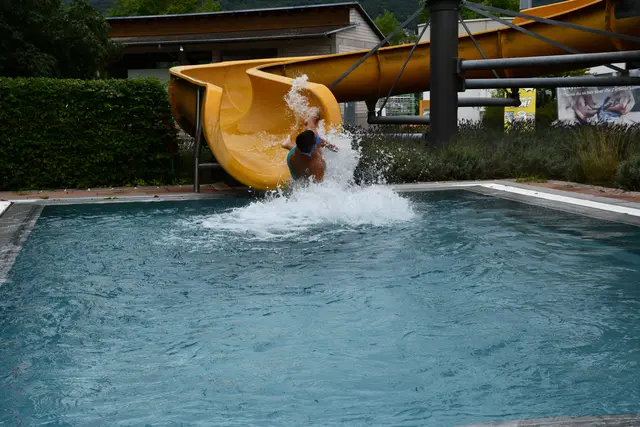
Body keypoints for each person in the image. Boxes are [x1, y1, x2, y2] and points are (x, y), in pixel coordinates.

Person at [282, 114, 338, 182]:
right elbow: (319, 185)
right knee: (321, 163)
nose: (316, 138)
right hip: (296, 165)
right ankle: (287, 145)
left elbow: (311, 119)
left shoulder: (309, 136)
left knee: (317, 141)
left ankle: (287, 144)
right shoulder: (316, 164)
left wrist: (317, 116)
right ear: (313, 146)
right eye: (315, 139)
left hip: (296, 151)